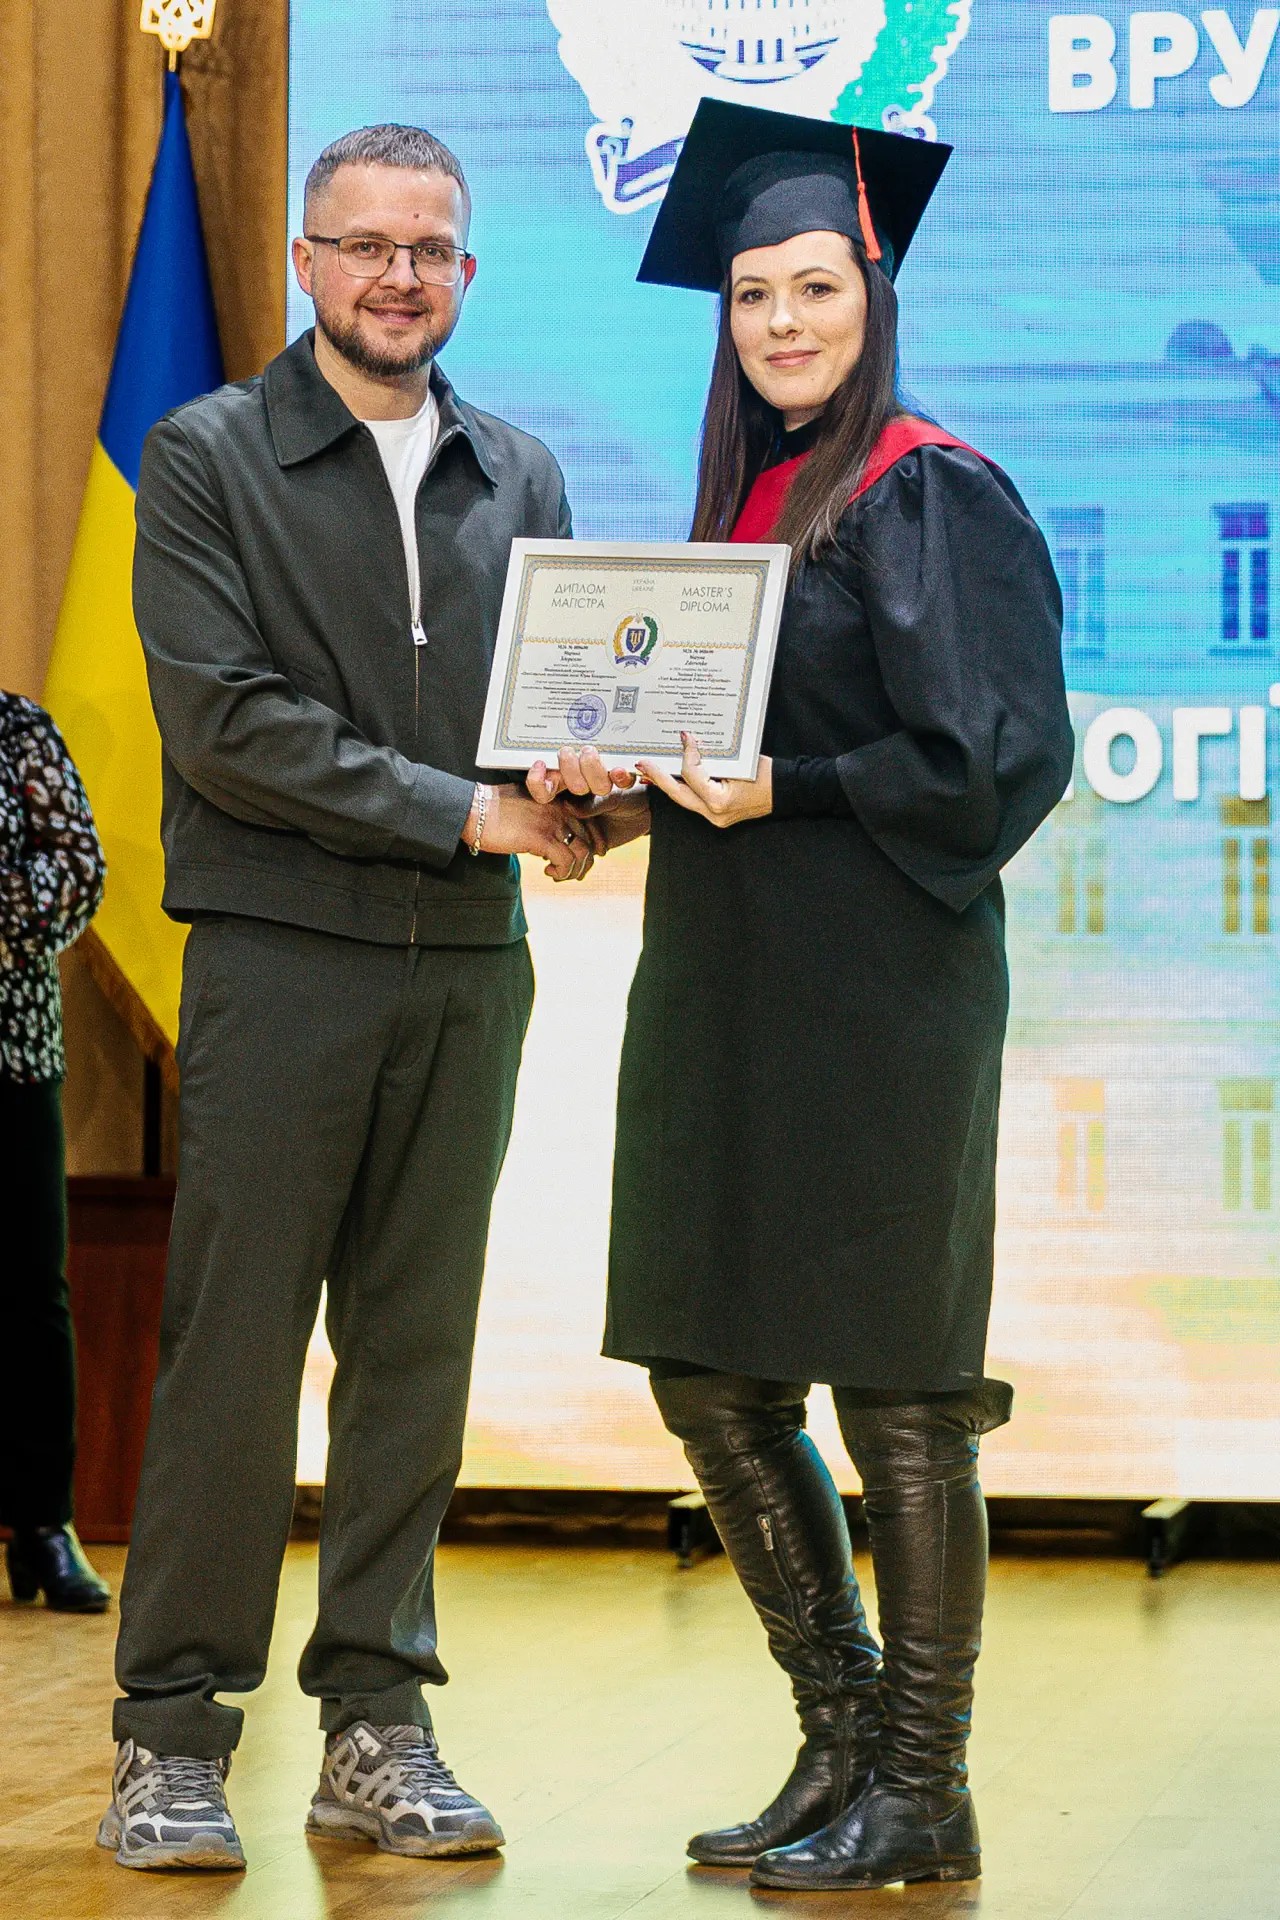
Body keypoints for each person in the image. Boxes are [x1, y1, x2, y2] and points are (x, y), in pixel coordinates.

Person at [529, 100, 1075, 1895]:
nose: (780, 319)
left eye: (815, 286)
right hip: (726, 979)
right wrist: (611, 791)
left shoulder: (929, 485)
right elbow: (723, 753)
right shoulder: (746, 500)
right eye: (753, 292)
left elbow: (995, 761)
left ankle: (927, 1787)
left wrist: (794, 788)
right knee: (710, 1367)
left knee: (899, 1391)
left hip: (882, 994)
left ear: (875, 293)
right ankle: (840, 1739)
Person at [99, 124, 597, 1875]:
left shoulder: (520, 471)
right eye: (367, 245)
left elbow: (554, 720)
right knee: (234, 1355)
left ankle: (377, 1722)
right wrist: (470, 812)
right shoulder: (205, 455)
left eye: (431, 248)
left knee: (415, 1355)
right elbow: (227, 726)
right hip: (280, 955)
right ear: (307, 262)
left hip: (467, 966)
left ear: (465, 272)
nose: (400, 275)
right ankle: (172, 1735)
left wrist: (593, 790)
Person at [1, 692, 109, 1613]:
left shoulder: (18, 730)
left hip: (11, 1053)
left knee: (31, 1290)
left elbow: (79, 872)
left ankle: (44, 1525)